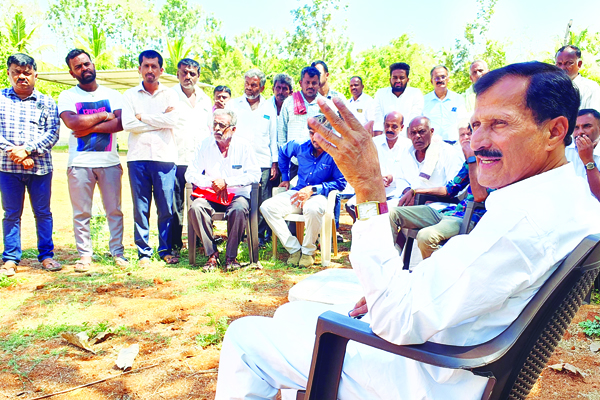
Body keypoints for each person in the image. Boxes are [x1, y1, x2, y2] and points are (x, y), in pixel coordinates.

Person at [214, 61, 600, 400]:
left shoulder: (525, 221)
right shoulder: (567, 197)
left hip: (429, 374)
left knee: (246, 339)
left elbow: (396, 318)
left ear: (554, 132)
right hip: (454, 349)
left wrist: (368, 191)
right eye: (477, 124)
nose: (480, 141)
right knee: (294, 307)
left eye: (499, 124)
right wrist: (408, 284)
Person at [58, 49, 128, 272]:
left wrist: (86, 125)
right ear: (72, 72)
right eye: (78, 67)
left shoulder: (114, 94)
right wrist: (102, 116)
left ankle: (117, 252)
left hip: (109, 163)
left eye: (86, 64)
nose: (84, 68)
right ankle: (85, 255)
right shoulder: (67, 96)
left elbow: (119, 124)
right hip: (79, 163)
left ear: (93, 64)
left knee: (114, 210)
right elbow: (72, 123)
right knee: (81, 213)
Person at [389, 121, 490, 259]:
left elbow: (480, 197)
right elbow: (450, 189)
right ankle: (390, 263)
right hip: (449, 212)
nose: (467, 138)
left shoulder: (492, 162)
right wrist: (416, 191)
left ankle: (441, 276)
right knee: (392, 213)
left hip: (469, 217)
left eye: (470, 134)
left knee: (426, 237)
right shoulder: (470, 162)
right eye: (464, 134)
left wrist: (472, 159)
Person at [0, 53, 61, 277]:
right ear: (9, 74)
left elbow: (52, 133)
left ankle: (46, 256)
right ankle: (10, 258)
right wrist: (15, 153)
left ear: (35, 74)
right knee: (11, 214)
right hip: (8, 169)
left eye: (26, 72)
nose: (22, 76)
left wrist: (28, 150)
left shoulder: (46, 102)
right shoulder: (1, 99)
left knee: (43, 212)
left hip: (40, 168)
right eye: (16, 72)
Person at [261, 115, 346, 268]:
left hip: (319, 196)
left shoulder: (336, 154)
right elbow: (283, 152)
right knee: (267, 207)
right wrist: (286, 177)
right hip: (297, 192)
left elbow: (341, 183)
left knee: (312, 208)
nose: (315, 137)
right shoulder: (300, 146)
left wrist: (313, 189)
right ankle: (294, 249)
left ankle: (308, 252)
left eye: (319, 133)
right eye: (312, 132)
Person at [122, 50, 180, 266]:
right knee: (141, 207)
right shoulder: (130, 95)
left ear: (161, 70)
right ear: (139, 69)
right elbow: (128, 124)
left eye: (154, 66)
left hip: (165, 158)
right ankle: (143, 252)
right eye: (145, 66)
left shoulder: (170, 94)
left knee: (166, 207)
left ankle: (165, 249)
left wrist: (143, 117)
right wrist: (160, 120)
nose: (149, 70)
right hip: (138, 158)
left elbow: (173, 120)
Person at [186, 109, 260, 272]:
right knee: (196, 208)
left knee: (239, 208)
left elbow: (255, 174)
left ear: (233, 129)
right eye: (215, 124)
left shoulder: (244, 146)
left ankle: (231, 257)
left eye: (222, 125)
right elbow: (190, 173)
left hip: (236, 195)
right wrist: (211, 183)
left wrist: (227, 182)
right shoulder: (205, 144)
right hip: (211, 195)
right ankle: (212, 255)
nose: (217, 129)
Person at [227, 69, 279, 246]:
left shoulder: (269, 107)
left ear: (262, 87)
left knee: (262, 200)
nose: (249, 88)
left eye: (253, 85)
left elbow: (273, 137)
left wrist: (274, 162)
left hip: (263, 161)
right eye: (247, 84)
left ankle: (260, 237)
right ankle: (240, 234)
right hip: (239, 162)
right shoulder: (234, 105)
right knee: (240, 197)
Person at [169, 58, 211, 254]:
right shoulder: (169, 96)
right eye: (184, 72)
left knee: (200, 203)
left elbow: (210, 130)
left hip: (200, 162)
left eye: (192, 73)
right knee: (176, 205)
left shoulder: (205, 99)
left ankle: (201, 242)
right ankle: (176, 245)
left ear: (198, 76)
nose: (188, 76)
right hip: (176, 158)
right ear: (177, 74)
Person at [345, 111, 410, 221]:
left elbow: (410, 173)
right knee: (351, 205)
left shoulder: (408, 146)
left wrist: (392, 178)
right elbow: (364, 168)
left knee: (384, 214)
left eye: (394, 126)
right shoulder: (373, 143)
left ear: (402, 127)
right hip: (373, 191)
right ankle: (363, 234)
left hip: (397, 193)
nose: (389, 129)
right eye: (387, 125)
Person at [391, 116, 464, 206]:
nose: (417, 136)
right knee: (385, 211)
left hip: (437, 204)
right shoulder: (406, 152)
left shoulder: (447, 152)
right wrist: (410, 194)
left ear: (431, 131)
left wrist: (421, 195)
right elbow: (400, 179)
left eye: (421, 132)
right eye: (413, 133)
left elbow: (456, 189)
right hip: (410, 202)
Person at [371, 62, 424, 136]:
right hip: (385, 140)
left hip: (407, 140)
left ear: (407, 80)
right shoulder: (381, 94)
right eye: (395, 77)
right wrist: (377, 144)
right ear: (390, 79)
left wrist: (409, 144)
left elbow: (413, 121)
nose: (398, 81)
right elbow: (378, 120)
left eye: (402, 78)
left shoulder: (415, 93)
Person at [423, 65, 468, 142]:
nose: (440, 80)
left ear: (448, 79)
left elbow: (463, 122)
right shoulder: (424, 100)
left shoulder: (458, 99)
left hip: (454, 144)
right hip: (431, 145)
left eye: (443, 77)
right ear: (431, 81)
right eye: (437, 78)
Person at [565, 108, 600, 200]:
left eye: (587, 126)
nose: (580, 132)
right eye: (576, 127)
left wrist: (588, 160)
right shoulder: (564, 151)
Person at [555, 45, 600, 111]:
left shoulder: (591, 88)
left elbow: (594, 119)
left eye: (568, 63)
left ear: (579, 64)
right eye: (559, 63)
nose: (562, 67)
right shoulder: (552, 88)